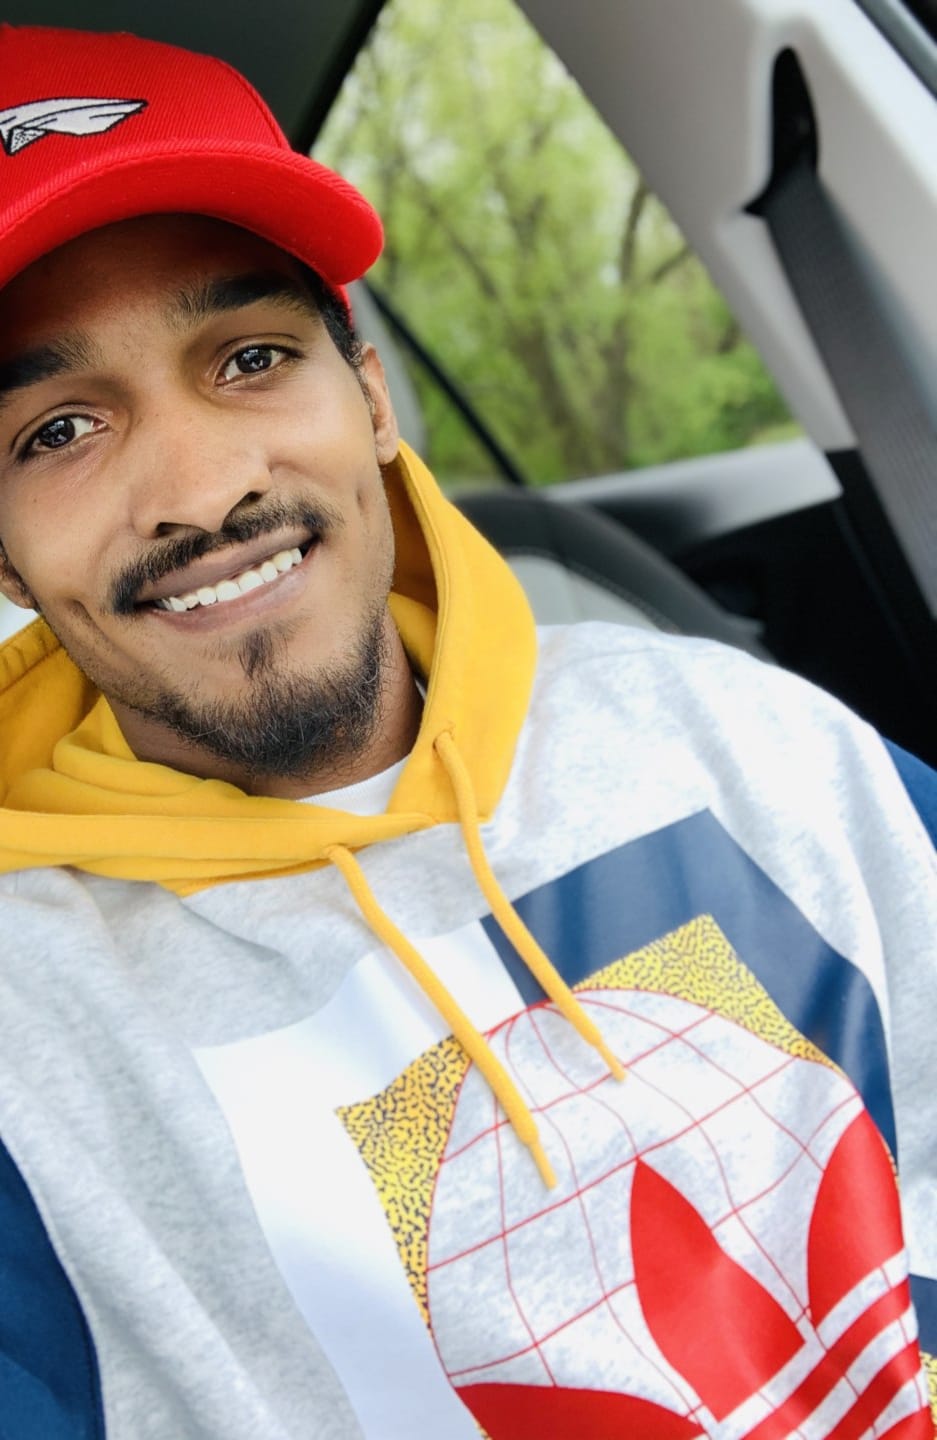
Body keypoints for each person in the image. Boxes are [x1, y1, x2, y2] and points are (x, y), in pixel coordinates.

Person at [0, 21, 934, 1440]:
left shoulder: (745, 741)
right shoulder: (29, 1041)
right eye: (56, 433)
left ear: (371, 397)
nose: (199, 488)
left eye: (249, 357)